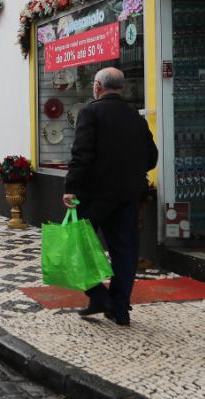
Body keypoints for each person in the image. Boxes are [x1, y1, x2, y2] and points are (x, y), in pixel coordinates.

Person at [63, 67, 157, 327]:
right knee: (125, 252)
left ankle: (98, 295)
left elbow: (81, 154)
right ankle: (119, 308)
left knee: (76, 245)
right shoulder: (136, 118)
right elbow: (152, 158)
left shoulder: (90, 112)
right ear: (122, 88)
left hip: (93, 195)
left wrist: (71, 187)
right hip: (128, 195)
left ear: (97, 86)